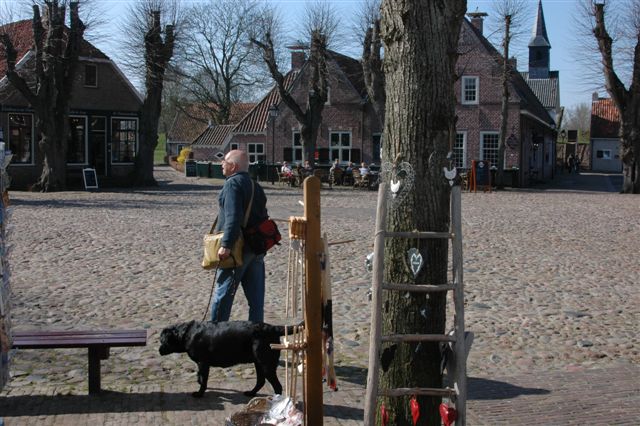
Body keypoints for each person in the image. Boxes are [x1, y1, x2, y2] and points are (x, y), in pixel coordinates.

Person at [211, 150, 269, 323]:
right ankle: (256, 333)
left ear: (234, 166)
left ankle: (216, 333)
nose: (222, 164)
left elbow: (233, 217)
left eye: (225, 161)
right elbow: (263, 216)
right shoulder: (255, 185)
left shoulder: (232, 184)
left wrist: (226, 245)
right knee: (256, 301)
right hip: (256, 248)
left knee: (223, 296)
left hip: (238, 249)